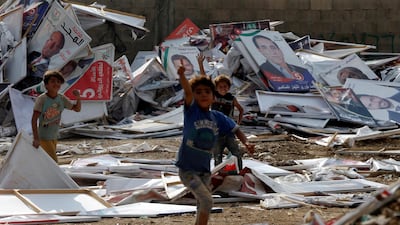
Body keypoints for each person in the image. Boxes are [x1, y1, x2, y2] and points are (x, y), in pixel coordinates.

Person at [175, 60, 254, 225]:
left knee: (201, 204)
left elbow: (236, 129)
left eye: (207, 92)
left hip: (204, 171)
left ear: (213, 96)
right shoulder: (192, 112)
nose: (203, 94)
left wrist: (246, 143)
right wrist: (182, 76)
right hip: (188, 170)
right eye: (199, 92)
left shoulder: (217, 117)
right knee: (207, 201)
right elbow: (188, 92)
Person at [31, 70, 81, 162]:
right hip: (43, 137)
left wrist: (78, 98)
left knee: (46, 161)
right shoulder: (42, 99)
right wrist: (36, 138)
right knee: (53, 162)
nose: (56, 84)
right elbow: (34, 119)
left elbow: (77, 109)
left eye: (58, 82)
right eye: (53, 81)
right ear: (46, 85)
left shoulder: (61, 98)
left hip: (54, 136)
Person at [211, 74, 246, 171]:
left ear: (229, 87)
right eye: (220, 87)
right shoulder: (213, 97)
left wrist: (238, 123)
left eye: (225, 86)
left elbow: (241, 110)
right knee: (217, 155)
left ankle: (240, 172)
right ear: (216, 88)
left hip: (229, 131)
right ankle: (218, 174)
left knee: (236, 153)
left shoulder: (231, 99)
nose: (223, 89)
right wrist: (201, 65)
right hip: (217, 132)